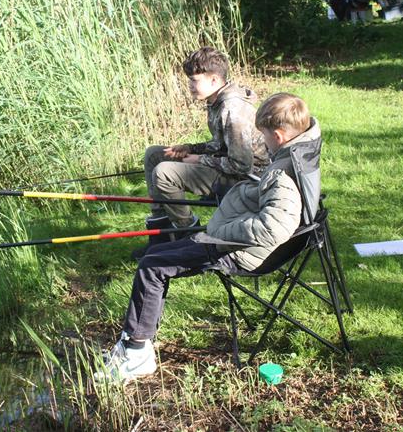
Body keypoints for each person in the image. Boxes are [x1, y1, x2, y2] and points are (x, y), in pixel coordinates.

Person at [95, 93, 321, 383]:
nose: (262, 143)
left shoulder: (282, 174)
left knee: (152, 267)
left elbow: (274, 227)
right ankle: (136, 341)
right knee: (153, 258)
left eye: (264, 136)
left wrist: (219, 232)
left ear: (278, 136)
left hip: (237, 249)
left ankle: (137, 354)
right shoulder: (301, 151)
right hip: (235, 239)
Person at [135, 47, 269, 258]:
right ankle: (161, 233)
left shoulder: (232, 109)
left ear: (214, 80)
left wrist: (200, 159)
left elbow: (241, 165)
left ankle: (188, 234)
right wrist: (190, 148)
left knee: (164, 172)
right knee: (154, 155)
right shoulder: (216, 100)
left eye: (194, 80)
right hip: (232, 168)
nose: (189, 85)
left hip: (249, 180)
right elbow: (220, 144)